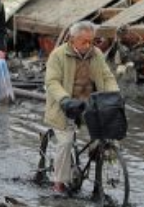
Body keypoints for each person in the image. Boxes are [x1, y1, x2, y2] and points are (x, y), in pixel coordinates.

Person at [44, 21, 119, 194]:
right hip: (65, 106)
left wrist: (114, 95)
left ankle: (101, 169)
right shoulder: (58, 55)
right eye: (84, 41)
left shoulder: (96, 54)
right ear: (72, 40)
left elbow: (107, 77)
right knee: (66, 142)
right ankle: (59, 183)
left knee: (109, 135)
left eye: (91, 41)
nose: (88, 45)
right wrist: (64, 99)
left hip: (90, 105)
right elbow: (52, 81)